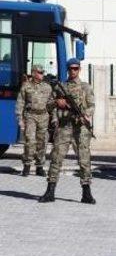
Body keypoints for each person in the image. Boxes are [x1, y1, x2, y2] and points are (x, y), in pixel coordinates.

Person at [39, 58, 96, 204]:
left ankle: (86, 193)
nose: (73, 71)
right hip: (64, 127)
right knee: (56, 158)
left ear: (79, 70)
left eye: (76, 68)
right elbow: (48, 105)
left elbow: (91, 106)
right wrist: (58, 102)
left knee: (84, 160)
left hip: (81, 128)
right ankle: (50, 191)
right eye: (71, 68)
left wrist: (86, 116)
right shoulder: (59, 87)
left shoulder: (86, 87)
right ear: (67, 69)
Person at [15, 64, 52, 177]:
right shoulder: (26, 86)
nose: (42, 75)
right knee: (30, 141)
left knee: (42, 142)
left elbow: (51, 103)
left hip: (43, 116)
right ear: (34, 73)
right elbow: (20, 103)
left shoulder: (47, 87)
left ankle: (40, 167)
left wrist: (54, 117)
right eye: (40, 72)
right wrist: (20, 119)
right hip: (30, 116)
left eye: (42, 72)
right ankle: (27, 165)